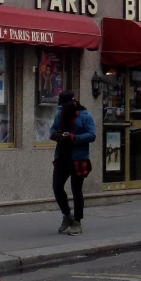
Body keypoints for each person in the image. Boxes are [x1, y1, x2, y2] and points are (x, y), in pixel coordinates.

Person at [50, 90, 96, 236]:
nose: (63, 108)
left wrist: (73, 137)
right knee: (57, 187)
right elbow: (53, 129)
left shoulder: (85, 115)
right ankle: (66, 215)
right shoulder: (60, 115)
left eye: (65, 105)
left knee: (76, 190)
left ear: (73, 102)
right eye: (62, 105)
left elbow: (92, 135)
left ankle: (77, 221)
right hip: (62, 157)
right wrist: (55, 135)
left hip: (78, 158)